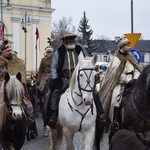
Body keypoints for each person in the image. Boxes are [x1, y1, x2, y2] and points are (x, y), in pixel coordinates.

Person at [47, 33, 105, 129]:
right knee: (54, 93)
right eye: (68, 40)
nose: (70, 42)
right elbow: (54, 67)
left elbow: (88, 61)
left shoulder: (80, 49)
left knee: (93, 92)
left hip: (80, 78)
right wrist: (56, 79)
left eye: (72, 40)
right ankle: (53, 116)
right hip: (64, 79)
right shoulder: (59, 52)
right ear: (64, 42)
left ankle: (99, 116)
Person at [99, 36, 142, 130]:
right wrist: (128, 80)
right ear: (122, 47)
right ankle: (115, 121)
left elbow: (137, 69)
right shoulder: (115, 60)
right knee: (115, 99)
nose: (130, 47)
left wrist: (135, 79)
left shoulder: (132, 57)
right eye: (128, 45)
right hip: (120, 83)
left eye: (130, 45)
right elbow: (116, 75)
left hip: (134, 82)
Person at [0, 39, 38, 140]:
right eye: (7, 51)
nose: (10, 52)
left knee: (28, 106)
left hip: (16, 89)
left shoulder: (18, 62)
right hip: (1, 87)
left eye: (10, 50)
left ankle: (30, 129)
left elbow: (22, 76)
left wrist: (21, 84)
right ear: (2, 52)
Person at [36, 45, 53, 136]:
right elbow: (40, 70)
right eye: (47, 52)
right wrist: (38, 80)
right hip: (45, 76)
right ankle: (39, 99)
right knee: (40, 88)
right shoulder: (43, 60)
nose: (48, 53)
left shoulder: (55, 59)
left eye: (50, 52)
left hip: (53, 76)